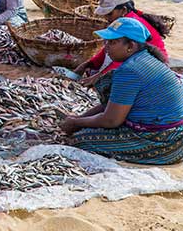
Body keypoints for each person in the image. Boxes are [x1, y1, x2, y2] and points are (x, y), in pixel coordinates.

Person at [61, 18, 183, 165]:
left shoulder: (130, 70)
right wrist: (79, 118)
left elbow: (111, 120)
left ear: (130, 46)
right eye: (106, 42)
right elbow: (112, 104)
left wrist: (76, 123)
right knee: (108, 80)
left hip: (162, 143)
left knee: (78, 140)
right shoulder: (147, 59)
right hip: (177, 137)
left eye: (112, 42)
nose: (106, 47)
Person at [74, 0, 169, 88]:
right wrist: (88, 64)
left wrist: (99, 76)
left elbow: (125, 57)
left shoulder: (132, 25)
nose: (106, 18)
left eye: (109, 14)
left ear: (123, 10)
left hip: (151, 68)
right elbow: (108, 48)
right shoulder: (120, 22)